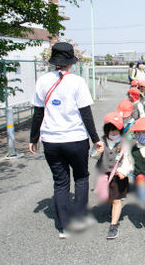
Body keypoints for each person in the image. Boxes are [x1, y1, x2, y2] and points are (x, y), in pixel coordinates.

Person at [28, 42, 103, 239]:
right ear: (70, 61)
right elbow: (86, 114)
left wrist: (33, 138)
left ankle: (64, 227)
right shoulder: (77, 82)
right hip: (76, 139)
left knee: (60, 182)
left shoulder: (42, 81)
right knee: (81, 177)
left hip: (51, 140)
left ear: (54, 61)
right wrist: (96, 139)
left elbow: (38, 113)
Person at [95, 112, 129, 240]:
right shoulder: (102, 141)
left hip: (119, 175)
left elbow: (128, 160)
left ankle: (114, 225)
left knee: (116, 199)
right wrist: (97, 152)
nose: (113, 134)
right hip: (104, 175)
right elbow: (94, 155)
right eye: (111, 131)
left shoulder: (125, 142)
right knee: (107, 197)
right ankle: (112, 208)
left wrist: (123, 171)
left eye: (116, 131)